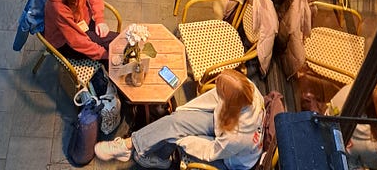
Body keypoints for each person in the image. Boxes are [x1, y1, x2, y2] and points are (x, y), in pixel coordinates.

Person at [96, 70, 265, 169]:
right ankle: (131, 145)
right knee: (175, 122)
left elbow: (212, 151)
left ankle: (159, 159)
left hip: (229, 159)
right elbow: (212, 99)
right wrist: (183, 114)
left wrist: (186, 140)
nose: (217, 90)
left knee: (175, 135)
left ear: (230, 102)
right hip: (223, 125)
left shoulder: (236, 137)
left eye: (221, 91)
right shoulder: (249, 88)